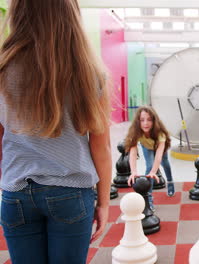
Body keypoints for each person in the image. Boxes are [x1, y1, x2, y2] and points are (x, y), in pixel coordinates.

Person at [0, 1, 112, 263]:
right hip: (70, 190)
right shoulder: (90, 75)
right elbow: (101, 147)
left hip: (15, 192)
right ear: (70, 16)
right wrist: (104, 203)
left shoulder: (3, 70)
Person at [124, 106, 175, 208]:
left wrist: (154, 171)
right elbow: (133, 153)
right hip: (147, 146)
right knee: (149, 166)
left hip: (159, 146)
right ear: (138, 121)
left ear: (154, 120)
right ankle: (149, 197)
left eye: (149, 120)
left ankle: (170, 181)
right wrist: (133, 171)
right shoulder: (136, 131)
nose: (145, 123)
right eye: (142, 120)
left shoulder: (160, 133)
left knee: (165, 163)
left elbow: (159, 155)